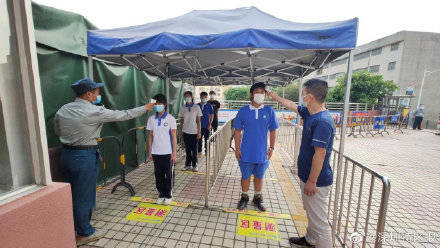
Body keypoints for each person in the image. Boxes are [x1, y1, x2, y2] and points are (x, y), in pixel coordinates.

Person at [54, 78, 153, 246]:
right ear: (88, 94)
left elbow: (57, 130)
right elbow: (124, 115)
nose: (99, 94)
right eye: (97, 91)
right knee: (84, 197)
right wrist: (145, 108)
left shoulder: (63, 109)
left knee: (71, 195)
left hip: (66, 155)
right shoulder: (95, 111)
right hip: (84, 157)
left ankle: (73, 227)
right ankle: (85, 232)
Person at [267, 79, 335, 248]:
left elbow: (320, 154)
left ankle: (321, 243)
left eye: (303, 93)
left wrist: (312, 181)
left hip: (317, 181)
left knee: (319, 221)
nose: (302, 96)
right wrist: (274, 96)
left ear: (310, 97)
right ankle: (310, 240)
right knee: (311, 214)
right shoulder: (310, 113)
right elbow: (291, 105)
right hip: (307, 176)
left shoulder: (323, 122)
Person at [234, 82, 278, 212]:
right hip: (245, 152)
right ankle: (244, 197)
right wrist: (237, 148)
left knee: (259, 176)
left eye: (262, 92)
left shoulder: (269, 111)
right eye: (257, 92)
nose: (260, 94)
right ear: (251, 94)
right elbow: (237, 131)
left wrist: (272, 148)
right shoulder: (243, 111)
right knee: (245, 176)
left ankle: (257, 198)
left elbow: (273, 130)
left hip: (262, 153)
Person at [147, 94, 177, 205]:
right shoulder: (151, 119)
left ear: (164, 105)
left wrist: (174, 153)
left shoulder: (170, 119)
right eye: (155, 104)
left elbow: (173, 137)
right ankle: (161, 194)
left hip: (168, 152)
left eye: (159, 104)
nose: (157, 106)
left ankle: (168, 194)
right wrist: (150, 152)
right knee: (158, 175)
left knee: (168, 174)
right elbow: (150, 136)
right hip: (156, 152)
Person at [179, 91, 202, 171]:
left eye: (189, 96)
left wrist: (199, 132)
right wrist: (180, 131)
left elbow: (199, 121)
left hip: (194, 132)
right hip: (185, 131)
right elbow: (181, 121)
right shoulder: (182, 108)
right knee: (187, 150)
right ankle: (187, 164)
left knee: (194, 150)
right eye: (186, 96)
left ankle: (195, 165)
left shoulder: (196, 107)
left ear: (192, 97)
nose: (187, 98)